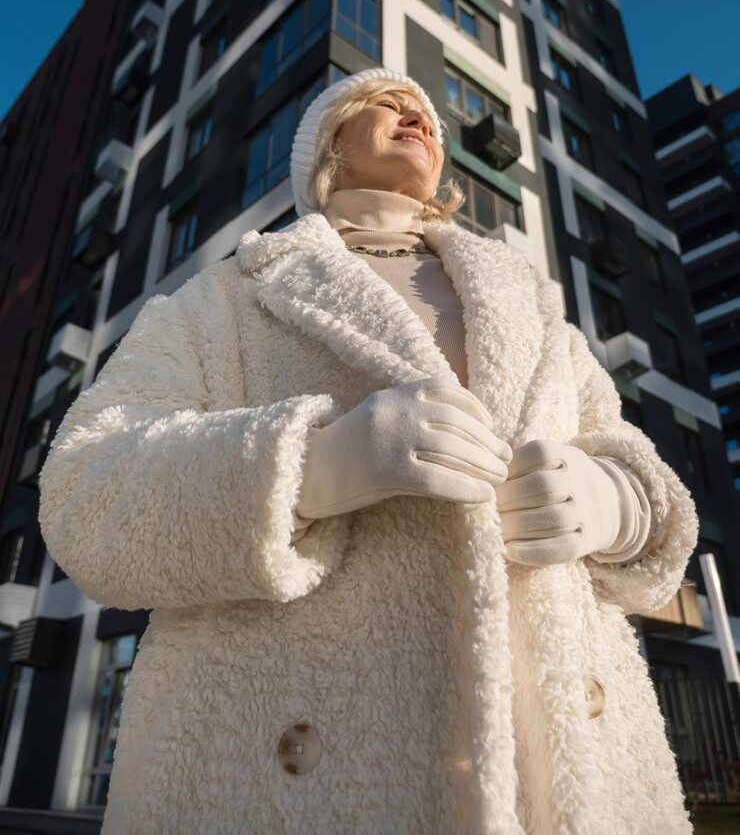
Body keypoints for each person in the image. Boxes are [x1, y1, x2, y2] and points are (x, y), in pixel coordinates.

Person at [38, 67, 699, 834]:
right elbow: (84, 488)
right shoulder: (226, 298)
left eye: (425, 113)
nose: (417, 113)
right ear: (328, 142)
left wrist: (615, 502)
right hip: (286, 774)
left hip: (574, 774)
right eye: (386, 103)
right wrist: (311, 468)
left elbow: (632, 462)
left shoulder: (534, 302)